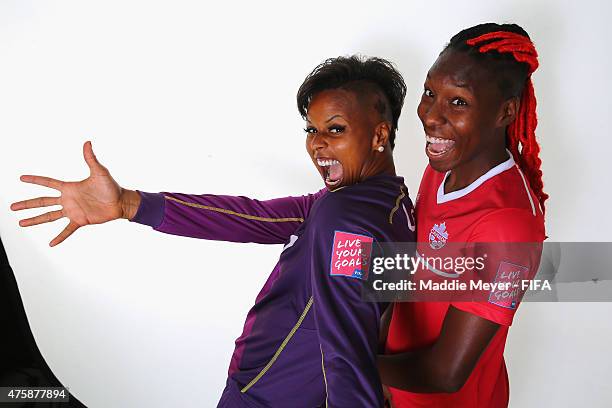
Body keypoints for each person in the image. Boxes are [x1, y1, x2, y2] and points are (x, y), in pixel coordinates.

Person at [11, 56, 416, 407]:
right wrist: (128, 204)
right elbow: (252, 218)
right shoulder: (391, 207)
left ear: (379, 135)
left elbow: (346, 348)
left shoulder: (345, 218)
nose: (317, 146)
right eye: (311, 131)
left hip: (269, 397)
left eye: (336, 129)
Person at [378, 23, 547, 407]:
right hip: (388, 385)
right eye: (430, 93)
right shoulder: (444, 166)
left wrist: (342, 366)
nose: (431, 117)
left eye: (458, 102)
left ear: (506, 111)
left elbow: (447, 373)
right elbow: (410, 271)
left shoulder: (509, 227)